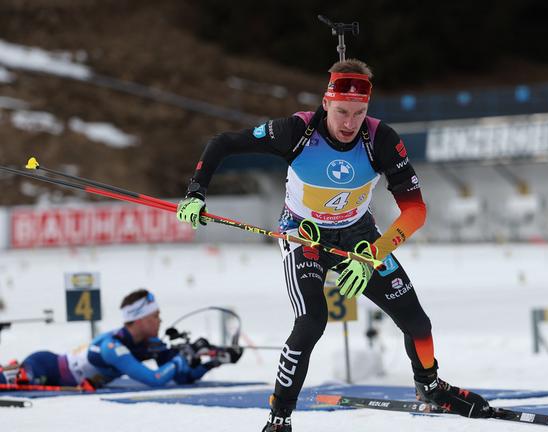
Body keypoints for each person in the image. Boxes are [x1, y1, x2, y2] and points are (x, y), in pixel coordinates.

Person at [177, 58, 491, 431]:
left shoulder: (382, 140)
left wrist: (372, 253)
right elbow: (223, 143)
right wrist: (196, 193)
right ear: (325, 104)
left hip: (359, 237)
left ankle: (430, 387)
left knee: (418, 323)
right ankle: (279, 419)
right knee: (311, 322)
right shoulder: (294, 131)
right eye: (341, 111)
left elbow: (415, 211)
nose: (349, 123)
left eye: (359, 113)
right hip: (303, 235)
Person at [0, 289, 217, 389]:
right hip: (45, 367)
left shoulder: (150, 344)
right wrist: (181, 358)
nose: (160, 321)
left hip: (61, 376)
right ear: (139, 319)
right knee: (13, 382)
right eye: (155, 316)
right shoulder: (113, 347)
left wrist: (211, 362)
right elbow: (155, 379)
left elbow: (180, 379)